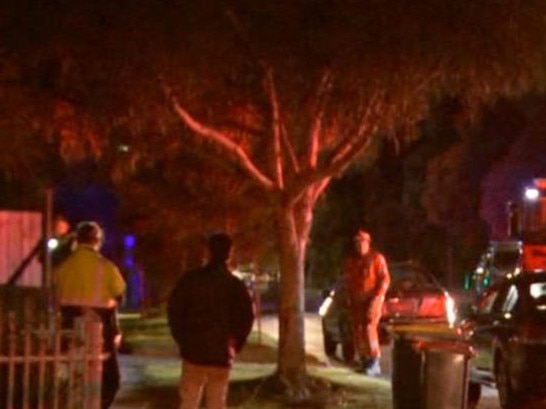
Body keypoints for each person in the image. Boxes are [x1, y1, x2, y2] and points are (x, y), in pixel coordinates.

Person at [167, 232, 254, 409]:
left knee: (189, 401)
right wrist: (236, 344)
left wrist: (183, 340)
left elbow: (174, 311)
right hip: (221, 352)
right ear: (229, 254)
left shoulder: (190, 280)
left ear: (208, 251)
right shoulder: (235, 286)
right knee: (217, 401)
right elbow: (246, 318)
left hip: (194, 351)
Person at [53, 221, 126, 409]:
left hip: (69, 328)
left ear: (77, 240)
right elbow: (119, 294)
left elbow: (56, 293)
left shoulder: (64, 267)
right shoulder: (106, 267)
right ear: (97, 240)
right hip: (101, 330)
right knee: (111, 380)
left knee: (70, 377)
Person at [343, 229, 390, 376]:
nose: (359, 245)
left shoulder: (377, 259)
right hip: (357, 302)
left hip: (372, 300)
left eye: (362, 242)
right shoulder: (352, 262)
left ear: (368, 243)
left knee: (369, 328)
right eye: (357, 243)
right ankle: (365, 360)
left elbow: (384, 279)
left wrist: (378, 297)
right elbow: (349, 282)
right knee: (358, 330)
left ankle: (374, 361)